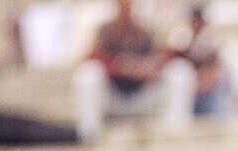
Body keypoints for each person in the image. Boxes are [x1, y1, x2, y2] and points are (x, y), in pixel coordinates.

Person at [73, 0, 194, 141]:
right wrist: (121, 67)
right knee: (87, 74)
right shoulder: (104, 30)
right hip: (114, 97)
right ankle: (89, 136)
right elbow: (91, 57)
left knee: (180, 71)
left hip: (142, 96)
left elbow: (165, 57)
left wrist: (146, 67)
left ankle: (175, 135)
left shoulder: (148, 31)